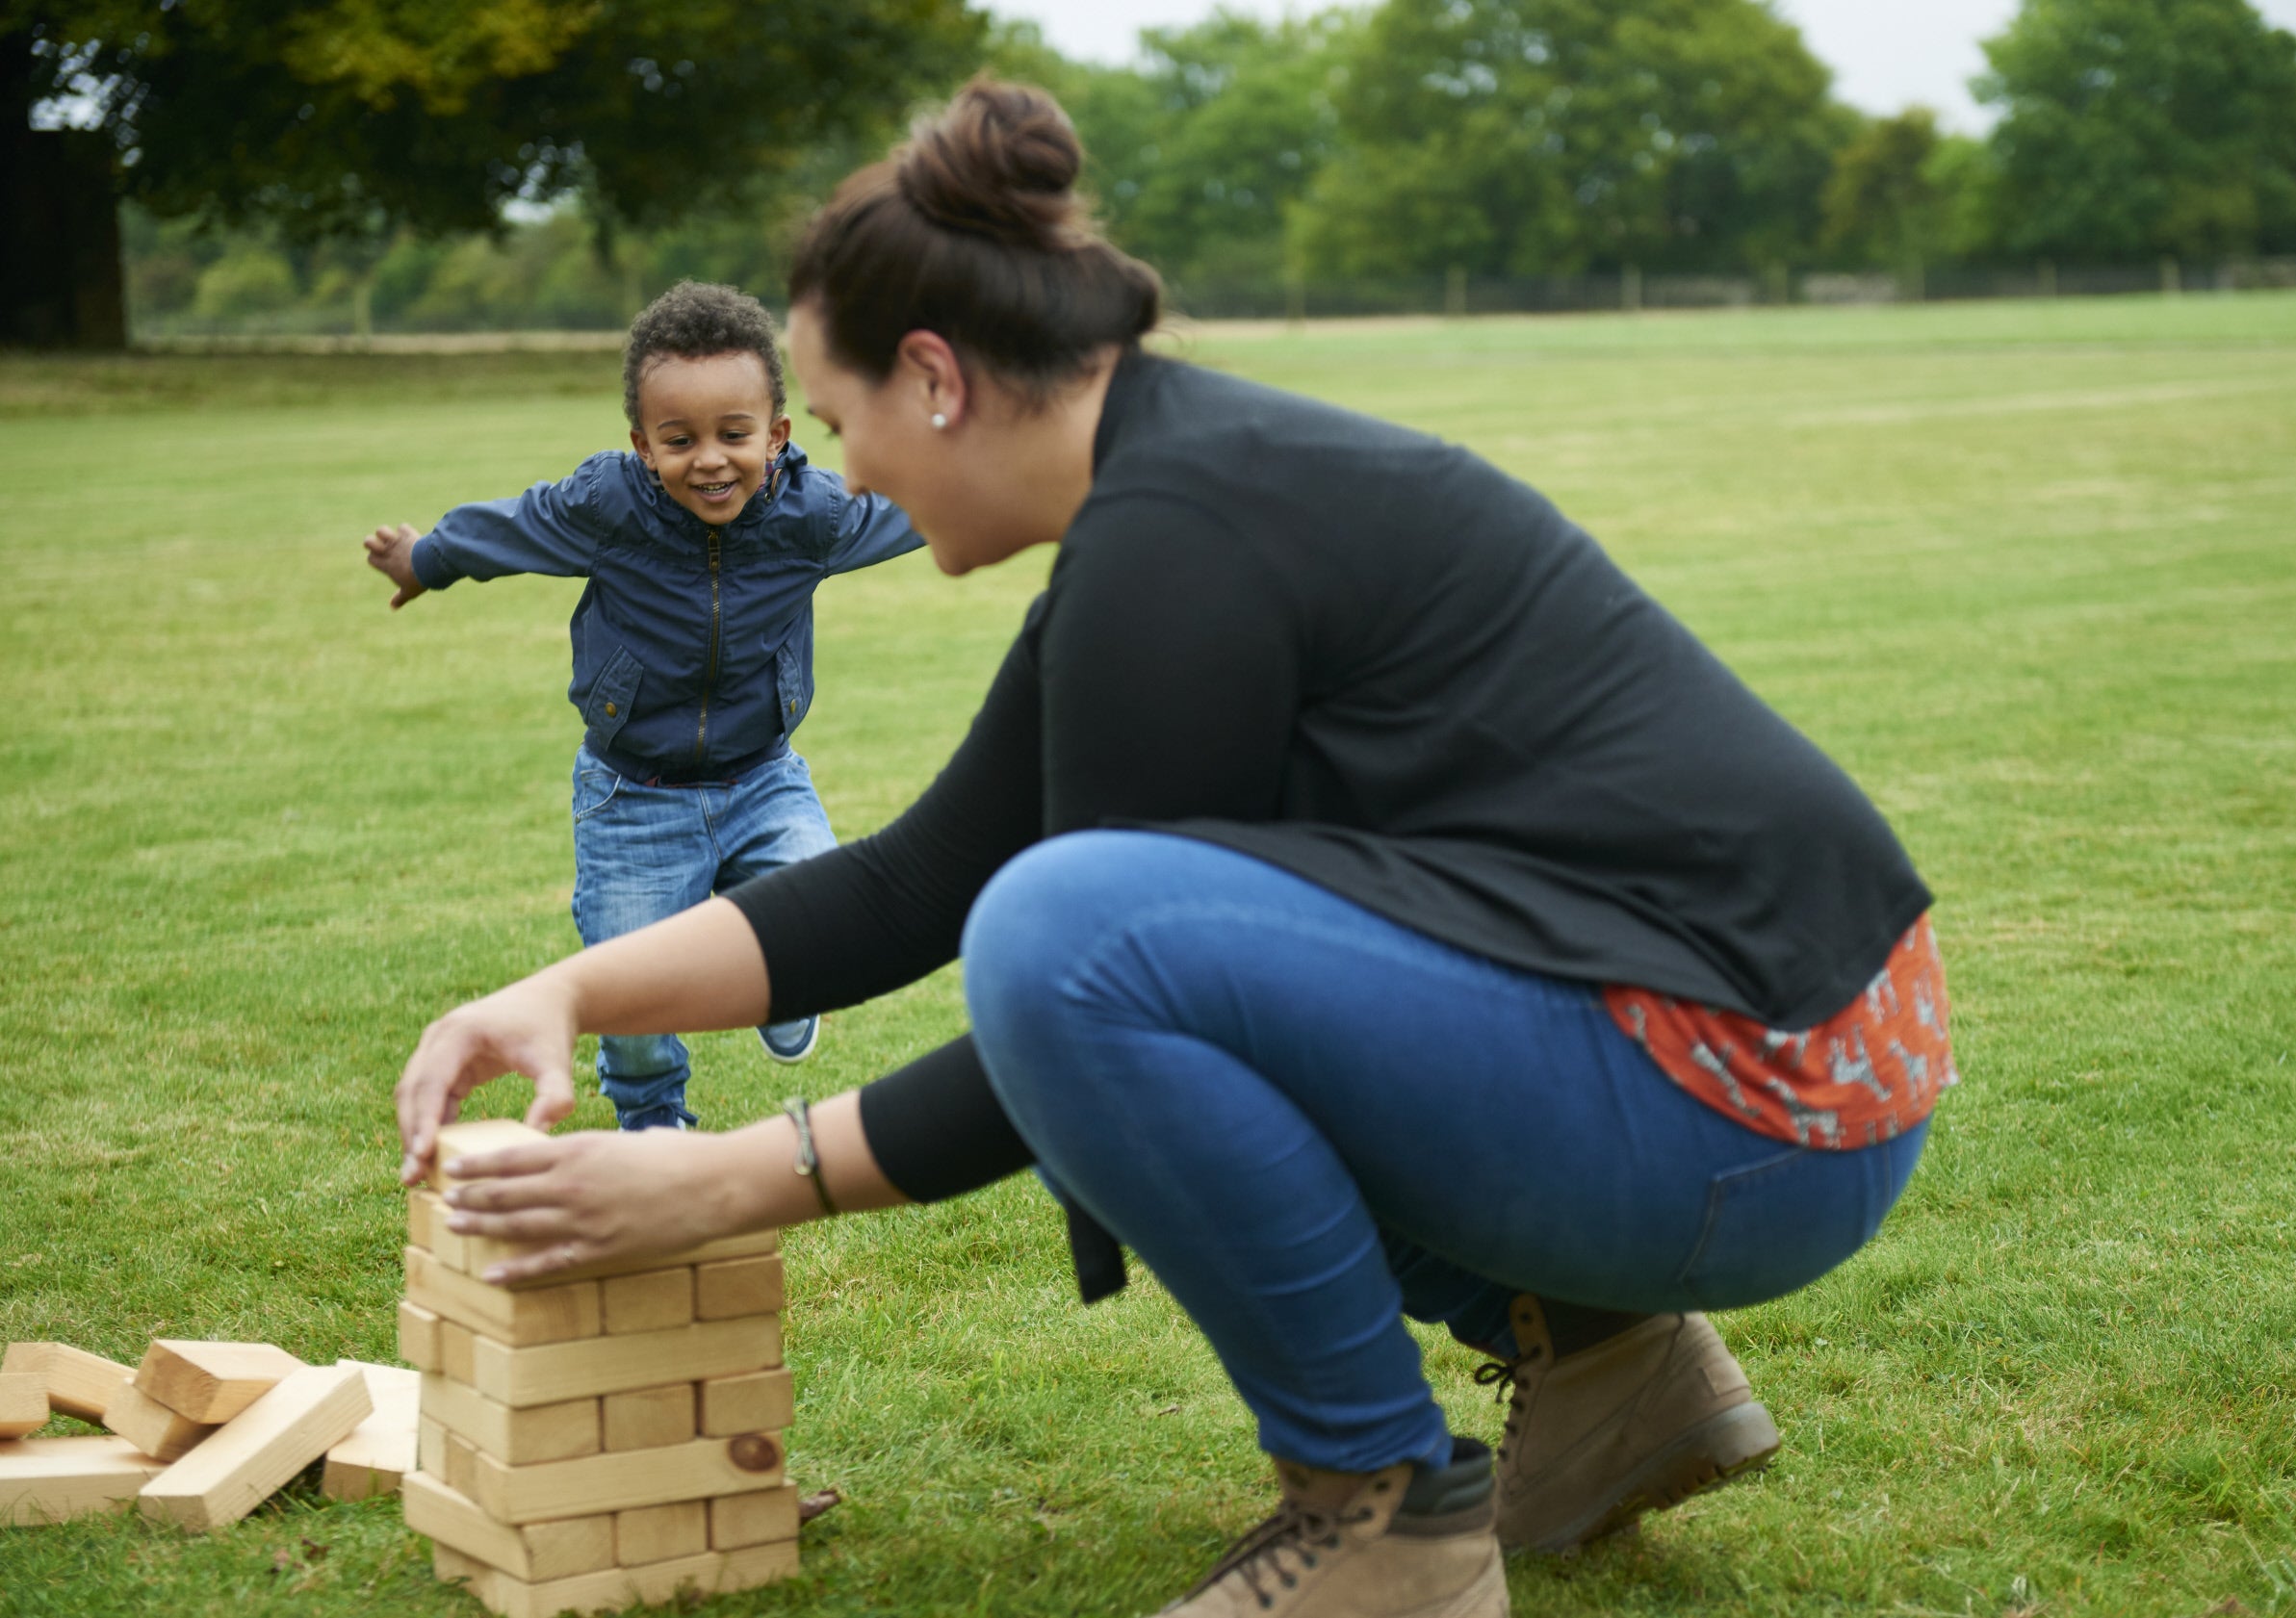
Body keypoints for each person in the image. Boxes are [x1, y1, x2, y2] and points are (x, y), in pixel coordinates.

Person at [394, 82, 1956, 1618]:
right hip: (1791, 1080)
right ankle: (1614, 1360)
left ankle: (1381, 1518)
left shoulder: (1179, 536)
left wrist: (715, 1181)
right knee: (1062, 924)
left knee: (1064, 936)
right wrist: (572, 993)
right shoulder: (1164, 504)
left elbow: (1063, 996)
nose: (842, 468)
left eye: (837, 417)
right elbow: (912, 881)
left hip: (1754, 1106)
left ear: (933, 377)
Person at [364, 281, 921, 1132]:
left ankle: (790, 993)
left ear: (777, 434)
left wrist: (1032, 483)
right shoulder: (609, 508)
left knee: (822, 915)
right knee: (630, 994)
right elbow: (514, 528)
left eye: (735, 435)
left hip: (763, 780)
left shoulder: (812, 517)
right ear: (641, 444)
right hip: (632, 799)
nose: (709, 459)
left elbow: (916, 507)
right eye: (679, 439)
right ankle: (655, 1125)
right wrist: (426, 557)